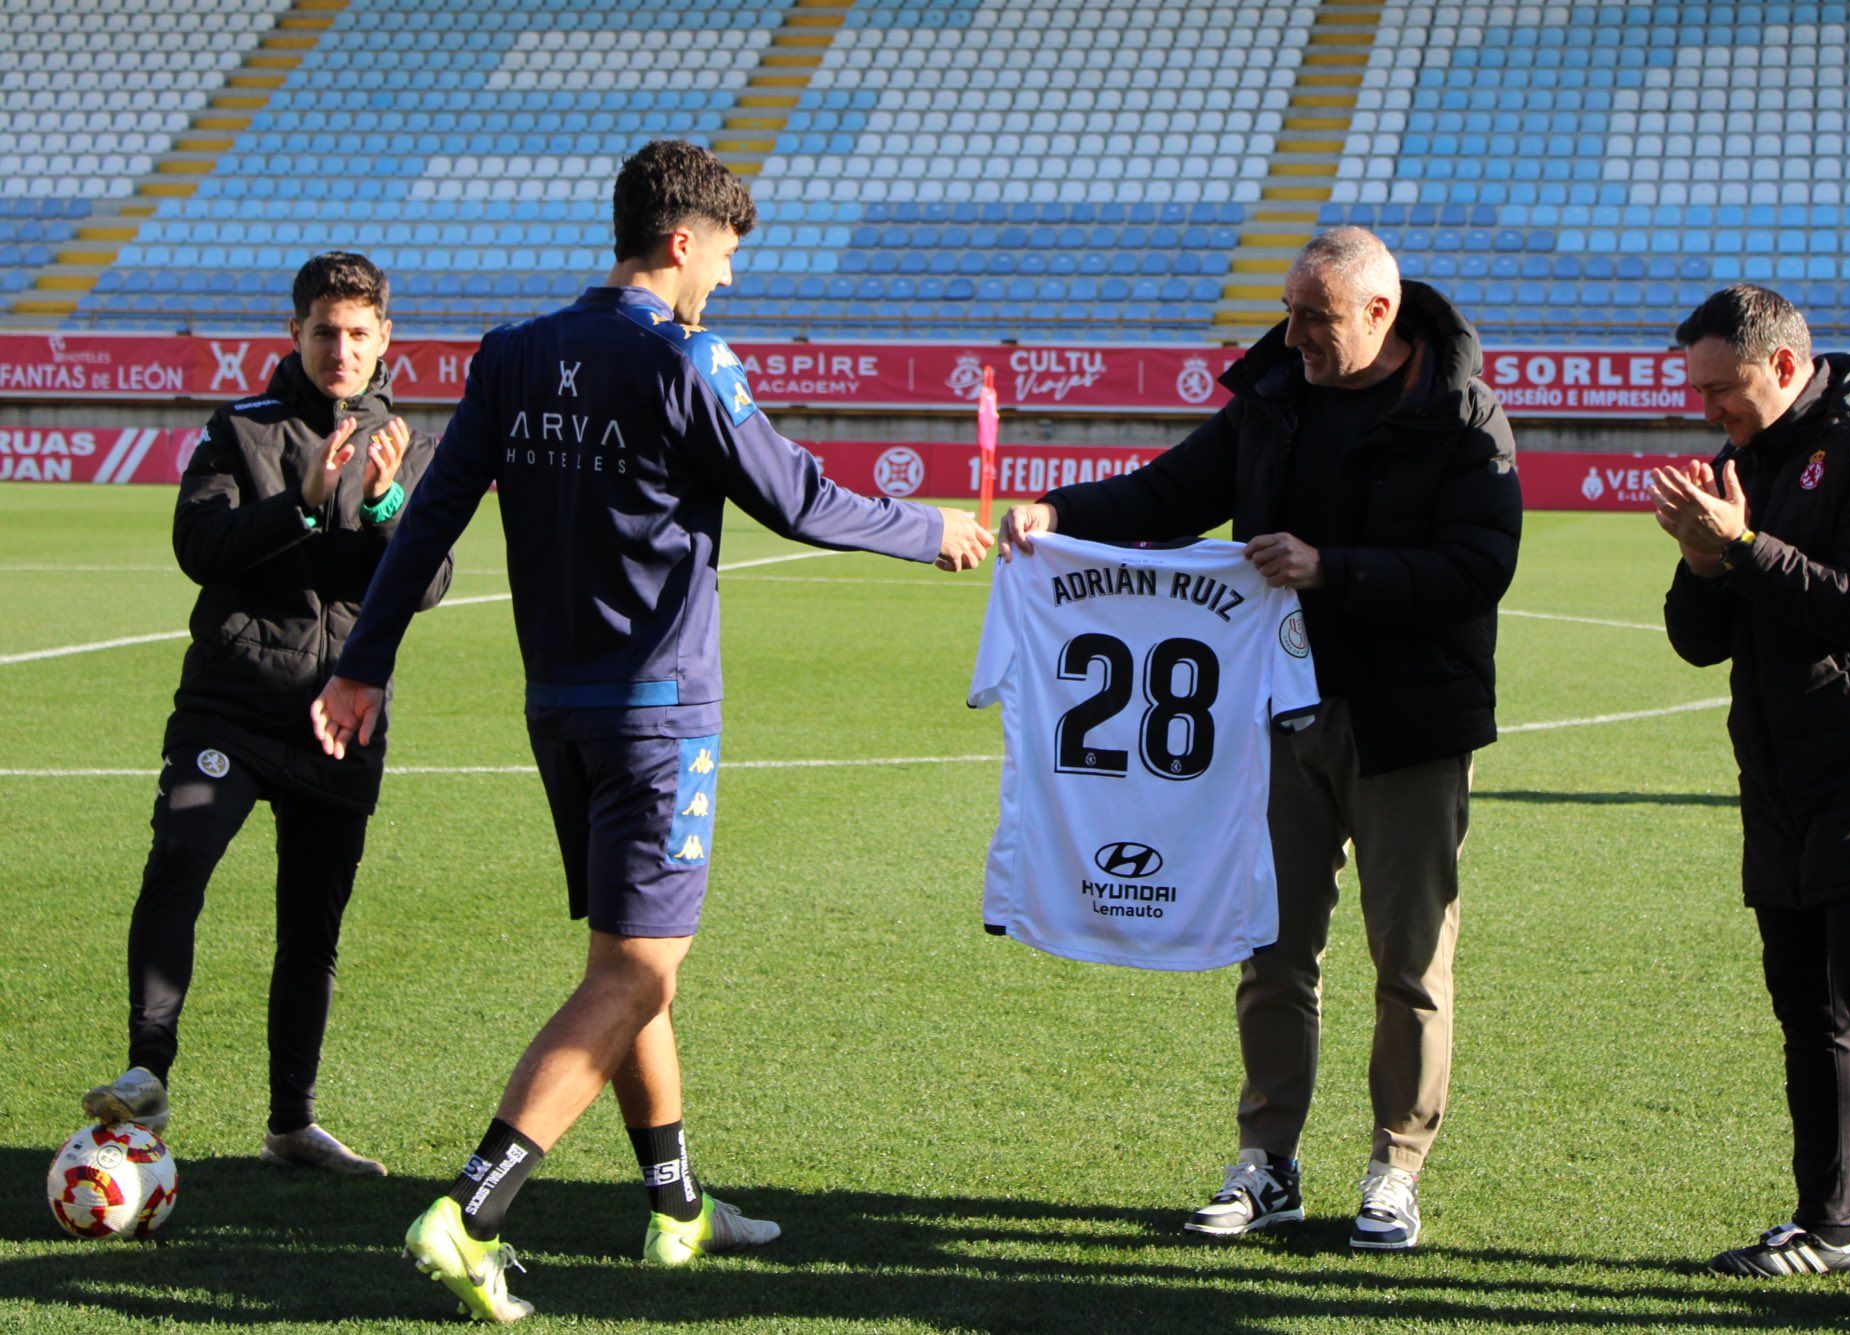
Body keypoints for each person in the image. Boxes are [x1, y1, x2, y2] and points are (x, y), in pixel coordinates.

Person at [309, 140, 993, 1322]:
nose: (726, 279)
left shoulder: (511, 354)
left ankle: (675, 1206)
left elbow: (426, 519)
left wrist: (362, 668)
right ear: (682, 241)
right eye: (724, 256)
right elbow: (794, 496)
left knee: (631, 965)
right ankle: (470, 1212)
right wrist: (924, 530)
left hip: (557, 711)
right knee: (634, 972)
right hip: (658, 717)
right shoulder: (689, 361)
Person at [999, 226, 1520, 1250]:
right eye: (1287, 311)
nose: (1293, 335)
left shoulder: (1462, 417)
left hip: (1408, 725)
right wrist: (1057, 511)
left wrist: (1333, 568)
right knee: (1270, 951)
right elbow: (1166, 495)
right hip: (1275, 720)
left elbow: (1476, 567)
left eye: (1313, 318)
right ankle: (1266, 1161)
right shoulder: (1276, 394)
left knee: (1408, 960)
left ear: (1378, 312)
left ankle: (1392, 1168)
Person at [82, 252, 449, 1176]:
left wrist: (389, 501)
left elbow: (430, 583)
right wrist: (306, 503)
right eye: (324, 330)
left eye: (359, 333)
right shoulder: (238, 430)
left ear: (384, 340)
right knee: (179, 861)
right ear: (294, 332)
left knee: (311, 927)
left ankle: (291, 1123)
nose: (341, 349)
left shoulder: (410, 441)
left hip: (340, 721)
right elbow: (199, 547)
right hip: (232, 705)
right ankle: (145, 1072)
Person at [1653, 284, 1850, 1301]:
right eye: (1696, 389)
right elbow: (1696, 642)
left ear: (1784, 364)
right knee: (1806, 1003)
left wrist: (1741, 549)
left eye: (1722, 387)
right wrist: (1704, 561)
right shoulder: (1737, 462)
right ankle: (1825, 1223)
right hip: (1785, 770)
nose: (1706, 408)